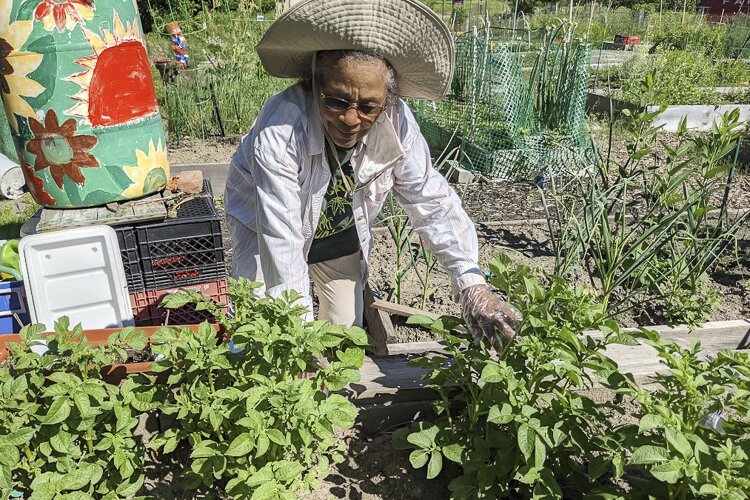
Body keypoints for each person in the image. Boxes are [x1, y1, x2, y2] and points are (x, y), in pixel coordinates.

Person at [225, 0, 521, 349]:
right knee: (262, 328)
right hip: (264, 226)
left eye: (368, 107)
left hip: (336, 230)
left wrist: (471, 283)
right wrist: (297, 337)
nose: (351, 119)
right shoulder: (281, 127)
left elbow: (430, 199)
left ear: (387, 101)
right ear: (313, 85)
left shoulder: (398, 122)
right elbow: (282, 239)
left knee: (342, 332)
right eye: (335, 101)